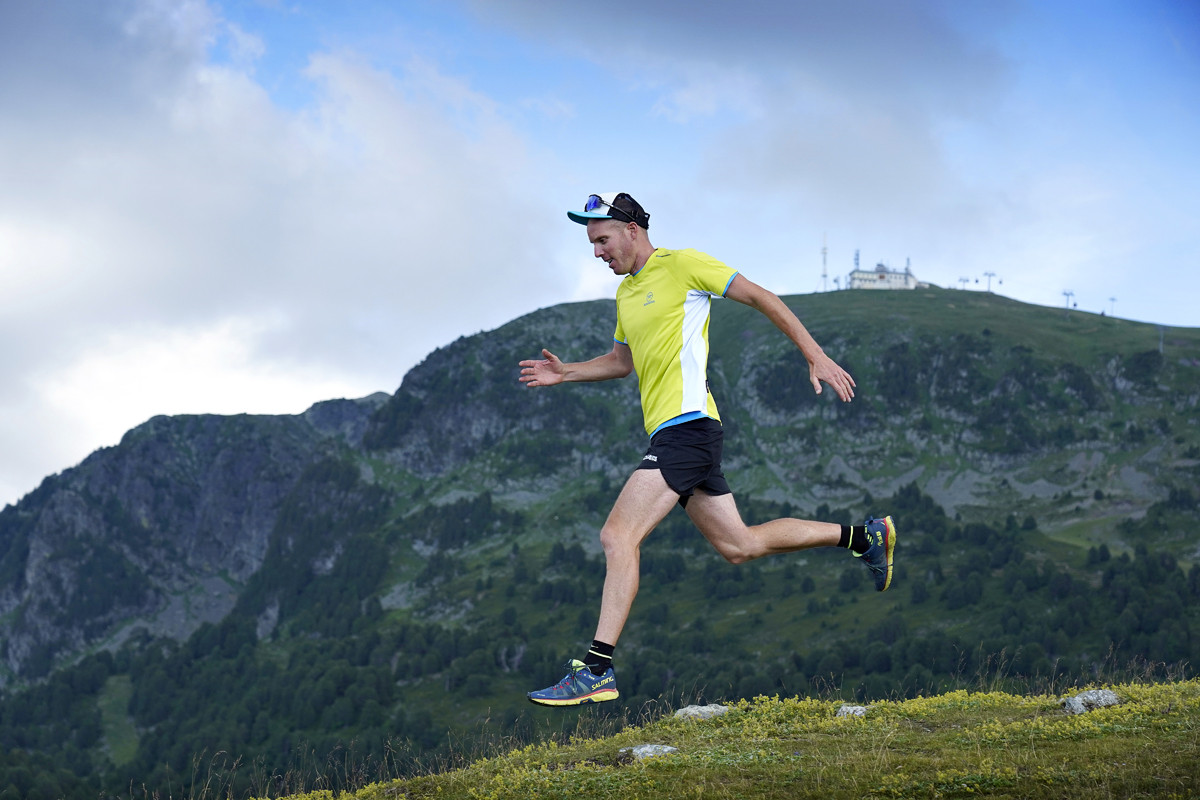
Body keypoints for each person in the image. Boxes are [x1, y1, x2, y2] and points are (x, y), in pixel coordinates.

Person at [519, 192, 896, 707]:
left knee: (616, 535)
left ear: (632, 230)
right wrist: (567, 372)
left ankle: (596, 669)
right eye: (592, 244)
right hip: (676, 435)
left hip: (689, 429)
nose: (597, 253)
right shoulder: (627, 296)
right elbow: (620, 362)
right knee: (739, 545)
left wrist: (816, 356)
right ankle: (863, 536)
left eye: (602, 240)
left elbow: (762, 297)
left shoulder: (684, 266)